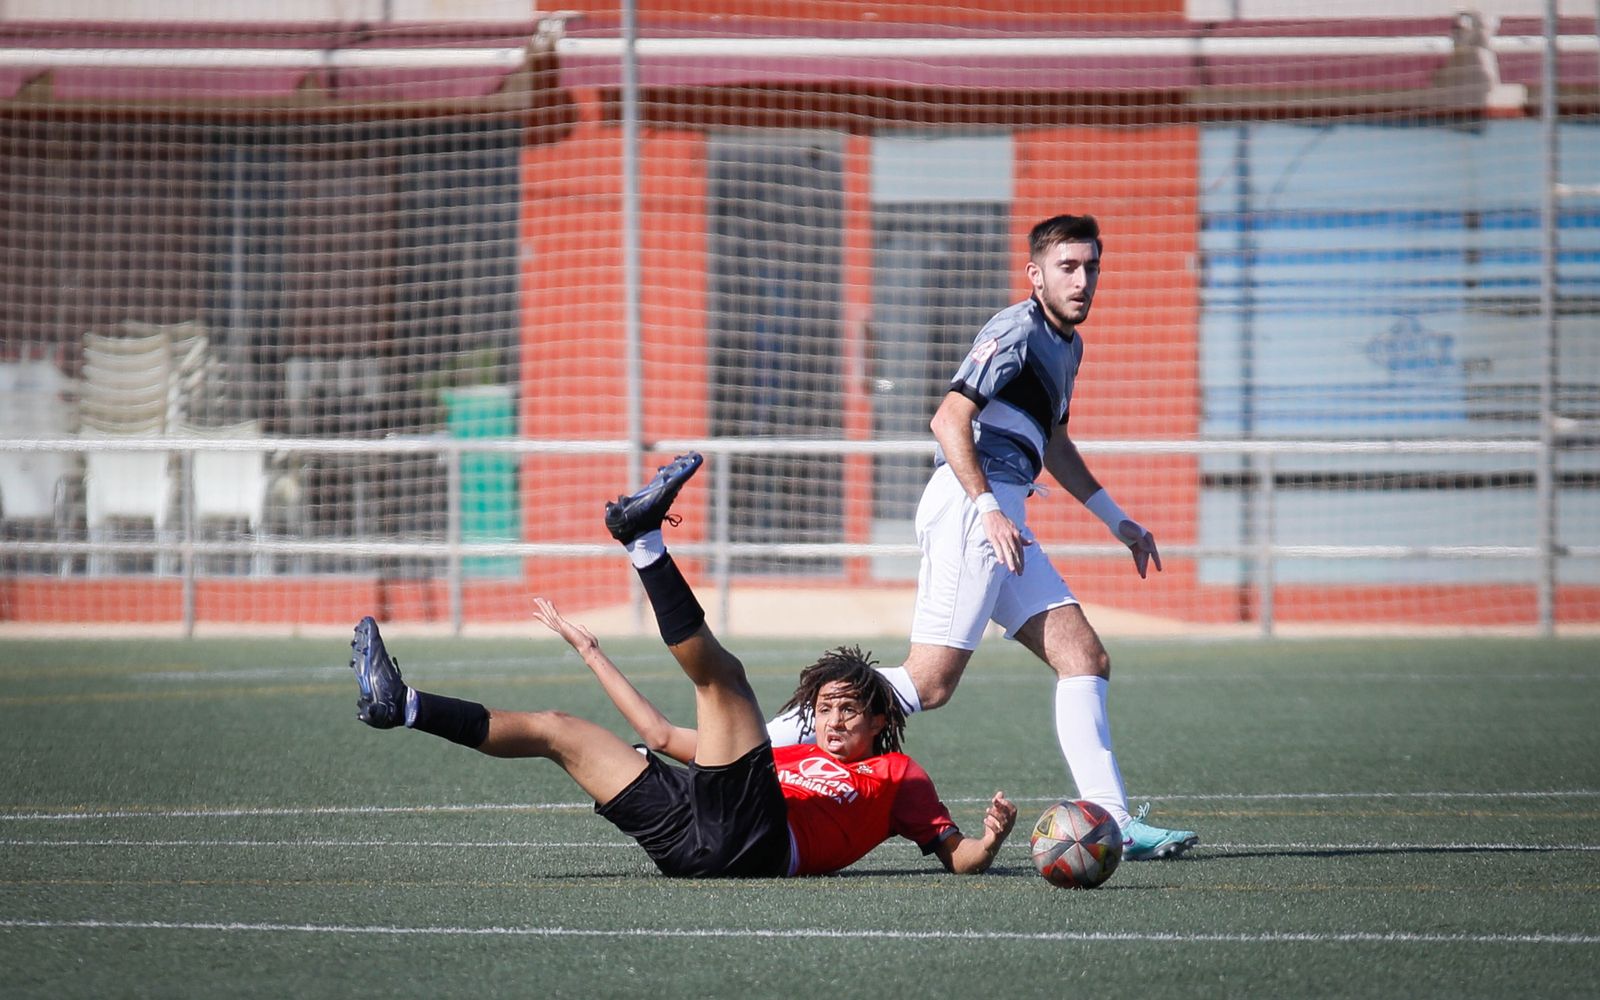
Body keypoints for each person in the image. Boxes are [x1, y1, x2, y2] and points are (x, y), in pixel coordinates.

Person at [349, 451, 1017, 879]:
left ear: (879, 721)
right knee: (556, 730)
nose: (833, 719)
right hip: (690, 843)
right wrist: (592, 654)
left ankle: (643, 543)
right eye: (824, 707)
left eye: (849, 709)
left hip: (758, 844)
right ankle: (402, 705)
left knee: (725, 680)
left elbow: (956, 856)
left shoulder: (898, 776)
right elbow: (663, 736)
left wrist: (987, 842)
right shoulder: (784, 753)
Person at [767, 214, 1197, 860]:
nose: (1082, 280)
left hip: (1002, 515)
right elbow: (948, 419)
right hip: (974, 509)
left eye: (1091, 267)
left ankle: (1113, 822)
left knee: (1083, 656)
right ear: (1035, 275)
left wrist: (1118, 521)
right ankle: (747, 747)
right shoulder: (1015, 330)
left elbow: (1053, 443)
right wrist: (988, 508)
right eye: (1067, 267)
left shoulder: (1068, 347)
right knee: (929, 683)